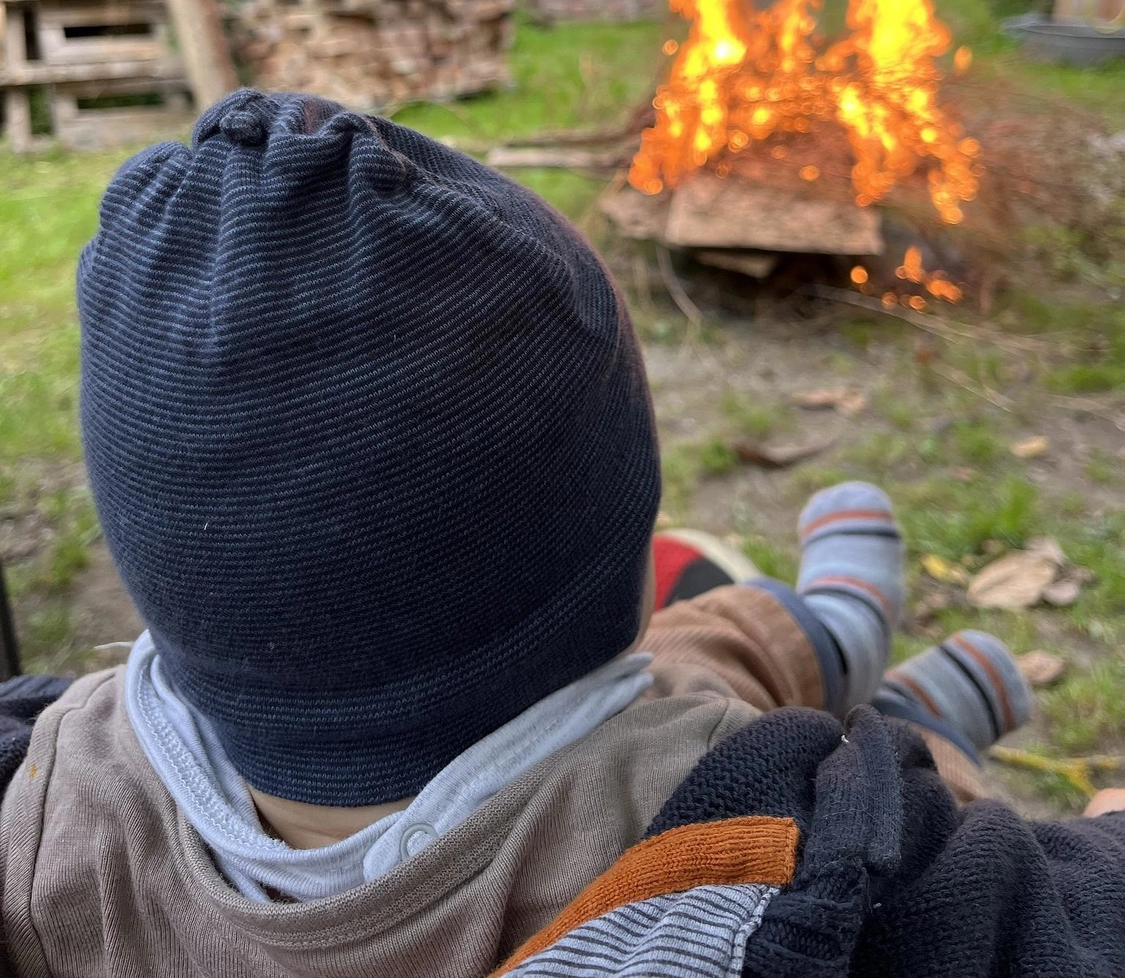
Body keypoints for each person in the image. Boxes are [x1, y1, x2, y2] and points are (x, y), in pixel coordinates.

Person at [0, 89, 1120, 978]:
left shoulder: (44, 810)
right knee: (692, 689)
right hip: (695, 772)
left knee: (663, 685)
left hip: (519, 738)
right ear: (627, 557)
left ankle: (837, 640)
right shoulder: (788, 875)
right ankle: (877, 685)